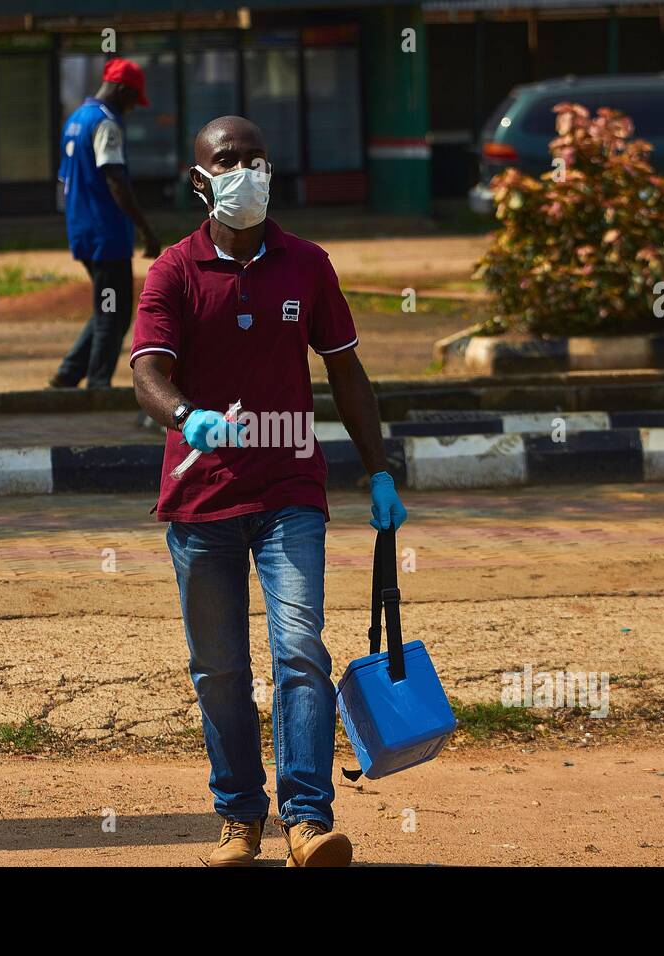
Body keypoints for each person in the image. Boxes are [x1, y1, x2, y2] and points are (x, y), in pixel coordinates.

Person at [129, 116, 408, 867]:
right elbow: (146, 373)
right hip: (201, 503)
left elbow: (346, 370)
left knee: (299, 651)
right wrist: (190, 418)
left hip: (291, 493)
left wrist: (379, 467)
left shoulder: (307, 265)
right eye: (228, 161)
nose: (245, 171)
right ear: (200, 179)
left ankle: (308, 821)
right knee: (220, 669)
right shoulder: (174, 271)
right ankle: (239, 818)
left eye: (256, 159)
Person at [51, 58, 160, 390]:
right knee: (114, 314)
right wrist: (145, 228)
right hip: (106, 233)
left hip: (82, 230)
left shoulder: (76, 119)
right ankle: (98, 387)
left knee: (106, 307)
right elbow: (115, 179)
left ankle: (68, 375)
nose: (131, 108)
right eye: (133, 99)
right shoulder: (106, 123)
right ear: (122, 89)